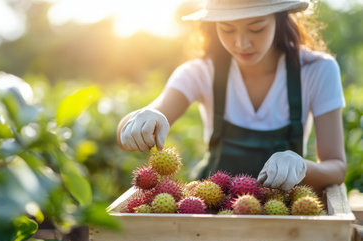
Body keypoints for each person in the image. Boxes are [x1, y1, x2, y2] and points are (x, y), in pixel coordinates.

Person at [116, 0, 346, 194]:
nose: (241, 43)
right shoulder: (199, 72)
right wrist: (141, 120)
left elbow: (336, 167)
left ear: (280, 18)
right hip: (213, 211)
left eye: (256, 28)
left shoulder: (317, 70)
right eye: (227, 29)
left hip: (282, 215)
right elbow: (125, 130)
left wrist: (301, 167)